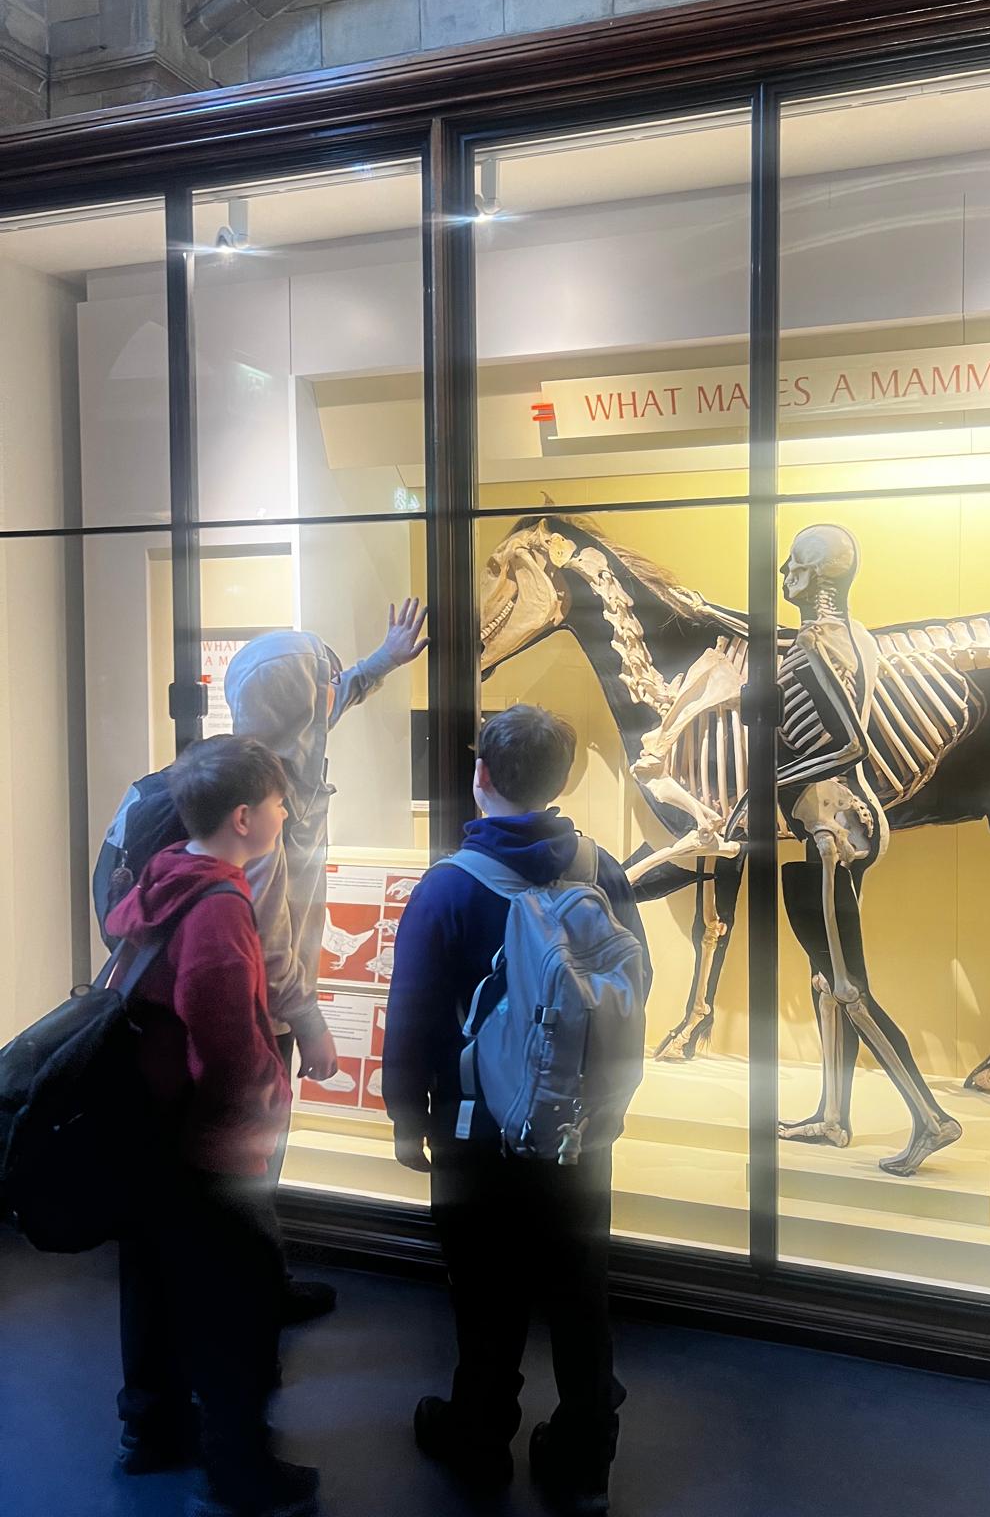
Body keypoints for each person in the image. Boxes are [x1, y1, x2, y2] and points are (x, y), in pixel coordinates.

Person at [383, 704, 651, 1517]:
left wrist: (407, 1117)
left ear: (481, 777)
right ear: (563, 780)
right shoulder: (604, 871)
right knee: (581, 1289)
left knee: (484, 1293)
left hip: (477, 1132)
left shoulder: (447, 887)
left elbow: (413, 1017)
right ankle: (584, 1458)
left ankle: (479, 1437)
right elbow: (632, 990)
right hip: (580, 1129)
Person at [106, 735, 318, 1517]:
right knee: (239, 1306)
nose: (285, 814)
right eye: (277, 804)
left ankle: (160, 1434)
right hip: (211, 1147)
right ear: (243, 819)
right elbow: (225, 1042)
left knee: (167, 1289)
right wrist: (260, 1114)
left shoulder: (169, 875)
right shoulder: (223, 909)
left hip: (159, 1134)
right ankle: (237, 1474)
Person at [224, 600, 428, 1321]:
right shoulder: (256, 800)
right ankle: (251, 1297)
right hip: (257, 1009)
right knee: (252, 1157)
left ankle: (245, 1287)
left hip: (261, 1005)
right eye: (322, 681)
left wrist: (383, 658)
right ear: (299, 704)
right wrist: (306, 1020)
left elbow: (337, 696)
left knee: (251, 1153)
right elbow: (264, 931)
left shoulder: (277, 747)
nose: (333, 690)